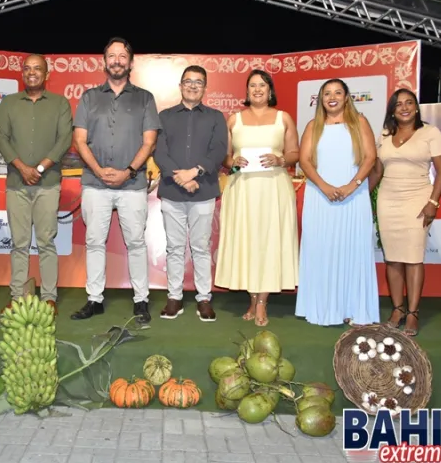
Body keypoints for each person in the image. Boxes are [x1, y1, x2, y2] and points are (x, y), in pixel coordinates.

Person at [70, 37, 161, 322]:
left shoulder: (145, 98)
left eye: (122, 56)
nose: (117, 60)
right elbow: (79, 140)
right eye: (111, 56)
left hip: (132, 183)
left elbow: (149, 143)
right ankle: (94, 300)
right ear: (104, 62)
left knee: (135, 242)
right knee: (95, 241)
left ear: (130, 62)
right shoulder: (89, 97)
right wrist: (98, 170)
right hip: (95, 183)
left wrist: (128, 172)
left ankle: (141, 301)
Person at [214, 70, 300, 325]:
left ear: (270, 90)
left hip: (274, 189)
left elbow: (295, 152)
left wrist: (281, 159)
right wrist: (233, 162)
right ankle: (252, 298)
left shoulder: (283, 118)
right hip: (242, 189)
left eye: (262, 85)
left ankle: (261, 302)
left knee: (269, 242)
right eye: (252, 86)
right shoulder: (233, 120)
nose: (257, 89)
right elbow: (225, 157)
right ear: (247, 90)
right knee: (247, 242)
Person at [295, 78, 379, 327]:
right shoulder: (313, 126)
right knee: (322, 251)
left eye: (337, 92)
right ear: (320, 99)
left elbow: (370, 157)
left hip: (354, 199)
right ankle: (321, 309)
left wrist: (351, 186)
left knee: (353, 251)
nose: (332, 97)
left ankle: (354, 309)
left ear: (346, 97)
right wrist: (325, 187)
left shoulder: (359, 122)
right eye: (327, 93)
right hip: (320, 200)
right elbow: (305, 161)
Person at [0, 55, 73, 316]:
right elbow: (2, 138)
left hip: (48, 183)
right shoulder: (8, 103)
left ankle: (49, 296)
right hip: (16, 183)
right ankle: (18, 296)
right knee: (19, 243)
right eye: (27, 69)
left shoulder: (60, 103)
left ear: (46, 73)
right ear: (22, 73)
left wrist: (38, 169)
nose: (32, 73)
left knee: (46, 242)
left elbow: (64, 140)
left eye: (37, 69)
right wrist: (22, 167)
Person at [368, 88, 441, 336]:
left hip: (418, 199)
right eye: (398, 104)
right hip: (388, 199)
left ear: (416, 107)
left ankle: (413, 313)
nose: (404, 107)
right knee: (392, 258)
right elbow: (377, 172)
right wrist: (358, 198)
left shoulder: (430, 133)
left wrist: (433, 203)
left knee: (413, 258)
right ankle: (397, 309)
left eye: (409, 103)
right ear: (392, 109)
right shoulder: (383, 134)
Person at [153, 65, 227, 322]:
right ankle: (174, 297)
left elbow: (219, 151)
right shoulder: (164, 116)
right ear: (180, 85)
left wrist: (194, 173)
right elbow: (159, 152)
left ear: (205, 87)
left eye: (199, 82)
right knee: (174, 248)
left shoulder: (216, 117)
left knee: (201, 248)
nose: (193, 86)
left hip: (203, 190)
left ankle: (203, 298)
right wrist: (182, 178)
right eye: (188, 81)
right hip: (173, 190)